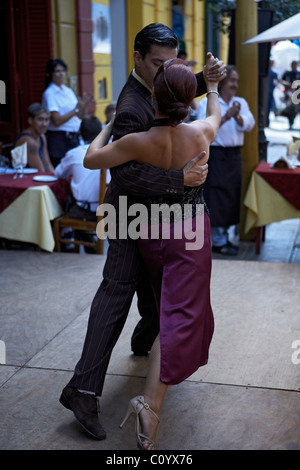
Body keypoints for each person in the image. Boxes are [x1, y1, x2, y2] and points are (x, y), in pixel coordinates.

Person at [59, 23, 225, 441]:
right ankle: (82, 388)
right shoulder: (136, 108)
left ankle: (148, 339)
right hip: (133, 215)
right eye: (157, 63)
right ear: (137, 59)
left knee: (157, 293)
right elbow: (126, 174)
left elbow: (101, 156)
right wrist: (180, 181)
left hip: (154, 220)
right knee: (117, 293)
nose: (164, 69)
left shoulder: (153, 95)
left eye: (171, 63)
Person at [197, 65, 255, 255]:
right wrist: (226, 117)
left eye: (237, 81)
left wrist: (236, 116)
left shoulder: (240, 102)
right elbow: (203, 129)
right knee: (215, 196)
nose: (235, 85)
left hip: (233, 156)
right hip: (215, 155)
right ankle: (217, 240)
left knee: (231, 196)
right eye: (232, 80)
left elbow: (249, 124)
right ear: (222, 82)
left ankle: (224, 236)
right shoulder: (208, 103)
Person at [42, 58, 92, 167]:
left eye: (63, 71)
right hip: (59, 139)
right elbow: (56, 120)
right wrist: (76, 110)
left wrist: (83, 106)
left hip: (73, 137)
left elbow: (80, 116)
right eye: (57, 71)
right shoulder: (50, 93)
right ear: (51, 74)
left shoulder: (68, 91)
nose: (61, 74)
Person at [14, 103, 54, 173]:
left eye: (46, 120)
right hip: (24, 180)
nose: (44, 124)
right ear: (30, 120)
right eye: (40, 119)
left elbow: (47, 164)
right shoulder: (28, 141)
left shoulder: (41, 136)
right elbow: (40, 170)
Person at [278, 60, 300, 129]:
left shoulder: (298, 73)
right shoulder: (287, 73)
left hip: (296, 94)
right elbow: (280, 80)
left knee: (295, 109)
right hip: (288, 94)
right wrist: (286, 84)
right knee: (289, 109)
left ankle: (291, 121)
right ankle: (290, 121)